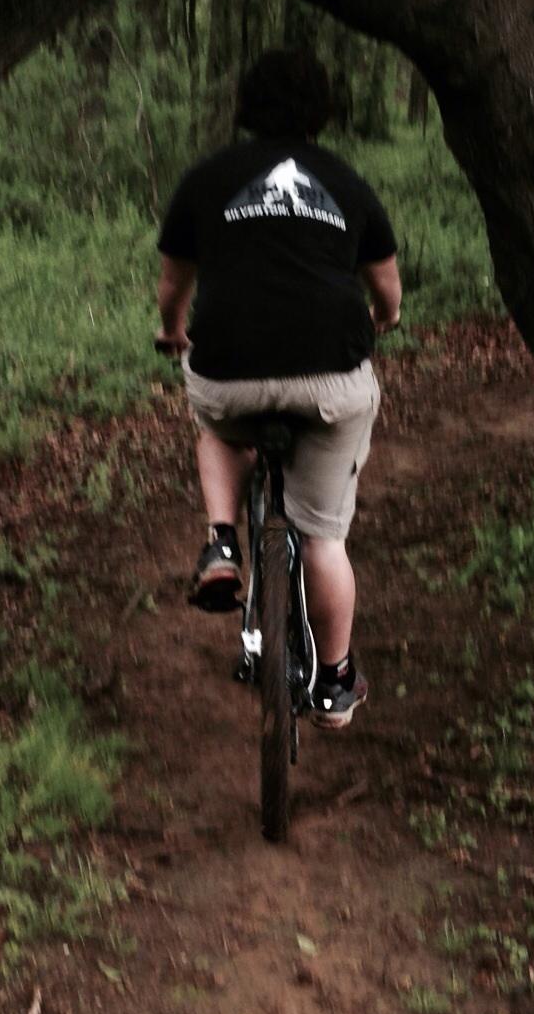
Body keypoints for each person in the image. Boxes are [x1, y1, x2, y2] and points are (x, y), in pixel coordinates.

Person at [154, 48, 401, 730]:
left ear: (244, 106)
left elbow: (175, 286)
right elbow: (386, 287)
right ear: (322, 110)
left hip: (229, 373)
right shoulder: (346, 183)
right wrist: (386, 320)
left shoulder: (207, 179)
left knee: (216, 422)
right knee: (324, 538)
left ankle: (223, 541)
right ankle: (335, 682)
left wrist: (173, 331)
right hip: (330, 380)